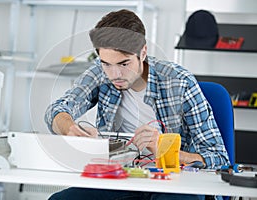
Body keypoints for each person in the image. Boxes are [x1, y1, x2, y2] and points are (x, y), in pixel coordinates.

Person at [45, 9, 229, 200]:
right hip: (122, 179)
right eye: (106, 63)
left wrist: (166, 151)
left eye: (124, 64)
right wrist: (68, 127)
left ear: (143, 53)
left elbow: (219, 158)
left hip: (175, 182)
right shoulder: (100, 73)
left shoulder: (180, 82)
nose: (114, 74)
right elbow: (57, 109)